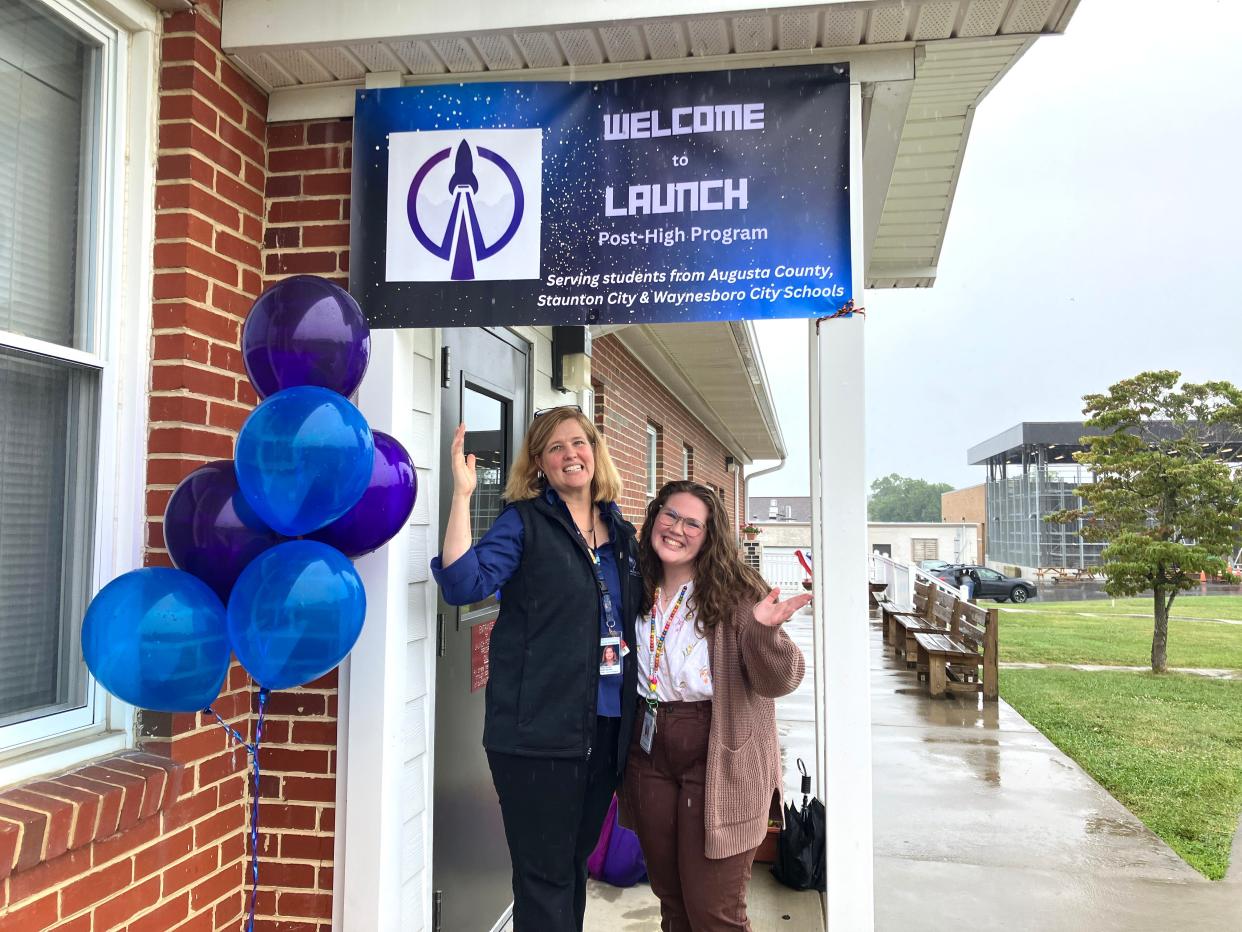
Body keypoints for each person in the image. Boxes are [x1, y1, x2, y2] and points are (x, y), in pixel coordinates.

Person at [431, 406, 642, 932]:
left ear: (595, 451)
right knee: (543, 879)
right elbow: (463, 584)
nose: (571, 454)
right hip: (536, 737)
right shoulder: (524, 523)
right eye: (556, 448)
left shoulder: (620, 530)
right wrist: (461, 495)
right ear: (540, 465)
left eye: (579, 442)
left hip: (606, 728)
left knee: (570, 869)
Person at [619, 480, 808, 932]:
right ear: (653, 518)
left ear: (710, 535)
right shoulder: (636, 585)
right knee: (673, 903)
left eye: (692, 523)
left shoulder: (739, 593)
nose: (676, 529)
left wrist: (764, 634)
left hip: (719, 754)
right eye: (669, 515)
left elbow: (782, 679)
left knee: (714, 913)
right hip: (648, 750)